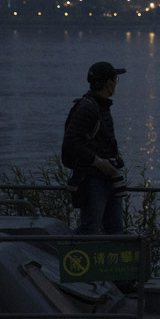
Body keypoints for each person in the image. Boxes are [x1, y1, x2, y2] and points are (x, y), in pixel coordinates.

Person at [62, 61, 127, 235]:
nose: (116, 84)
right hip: (92, 179)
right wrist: (97, 161)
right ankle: (72, 258)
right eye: (115, 79)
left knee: (115, 229)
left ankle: (112, 261)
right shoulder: (88, 108)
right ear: (108, 83)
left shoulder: (102, 106)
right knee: (89, 228)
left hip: (107, 177)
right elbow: (71, 141)